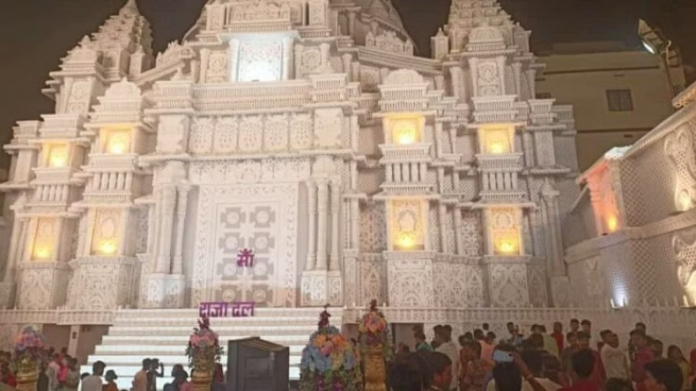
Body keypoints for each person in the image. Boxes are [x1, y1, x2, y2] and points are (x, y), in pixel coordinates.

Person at [435, 325, 460, 391]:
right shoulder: (454, 347)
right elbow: (458, 365)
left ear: (437, 335)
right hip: (454, 382)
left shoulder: (439, 350)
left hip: (444, 384)